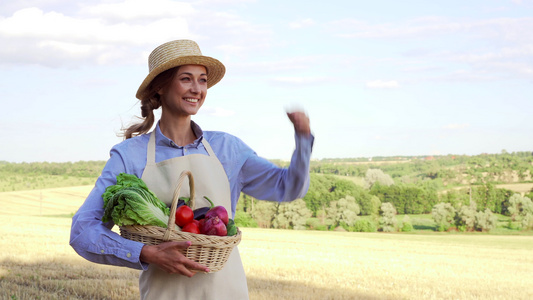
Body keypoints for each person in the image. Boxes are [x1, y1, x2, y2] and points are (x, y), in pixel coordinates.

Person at [70, 39, 314, 299]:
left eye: (203, 80)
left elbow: (288, 188)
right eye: (186, 79)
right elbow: (83, 231)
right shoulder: (130, 156)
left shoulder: (227, 149)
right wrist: (145, 253)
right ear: (160, 87)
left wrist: (303, 139)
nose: (197, 89)